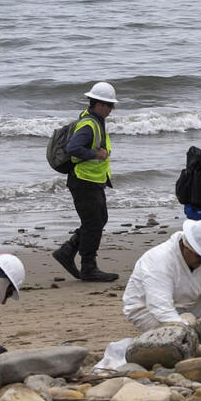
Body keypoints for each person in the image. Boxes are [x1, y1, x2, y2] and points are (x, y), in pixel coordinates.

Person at [123, 219, 201, 347]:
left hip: (185, 304)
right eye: (200, 257)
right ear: (186, 245)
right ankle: (198, 339)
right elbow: (161, 308)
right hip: (147, 311)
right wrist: (192, 334)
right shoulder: (159, 260)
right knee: (187, 325)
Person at [52, 82, 119, 282]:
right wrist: (95, 154)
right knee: (93, 223)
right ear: (99, 104)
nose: (111, 109)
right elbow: (73, 148)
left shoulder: (95, 121)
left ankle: (67, 250)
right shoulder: (89, 125)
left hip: (93, 181)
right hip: (83, 181)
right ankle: (89, 268)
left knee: (99, 220)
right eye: (109, 105)